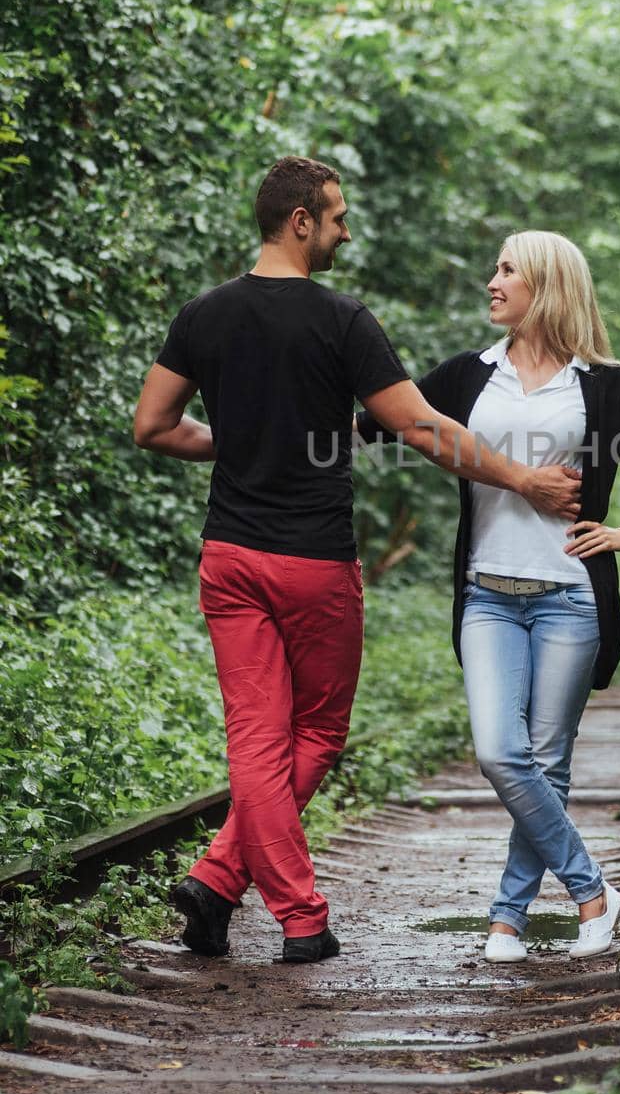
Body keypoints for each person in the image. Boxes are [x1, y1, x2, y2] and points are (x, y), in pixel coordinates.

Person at [132, 159, 580, 965]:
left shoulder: (202, 315)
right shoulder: (343, 321)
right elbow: (419, 427)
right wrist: (522, 478)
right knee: (315, 733)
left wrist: (234, 443)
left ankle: (214, 881)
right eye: (337, 217)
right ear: (300, 221)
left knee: (255, 739)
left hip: (229, 557)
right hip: (312, 564)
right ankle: (301, 920)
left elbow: (154, 426)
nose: (346, 231)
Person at [357, 231, 620, 962]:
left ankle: (507, 919)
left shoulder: (603, 384)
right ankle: (594, 891)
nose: (492, 281)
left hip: (572, 597)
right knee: (500, 752)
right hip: (487, 593)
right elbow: (375, 421)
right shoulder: (466, 376)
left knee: (546, 761)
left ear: (545, 285)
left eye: (507, 270)